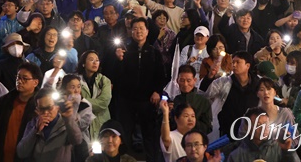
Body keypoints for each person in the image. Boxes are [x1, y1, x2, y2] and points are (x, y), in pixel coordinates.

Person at [110, 17, 166, 160]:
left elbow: (161, 75)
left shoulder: (154, 52)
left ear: (147, 31)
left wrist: (157, 92)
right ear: (131, 32)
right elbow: (115, 76)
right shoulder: (124, 51)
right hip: (126, 100)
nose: (138, 31)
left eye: (141, 28)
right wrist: (118, 61)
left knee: (149, 135)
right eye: (135, 28)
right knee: (125, 134)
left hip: (147, 101)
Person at [0, 63, 43, 162]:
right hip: (2, 155)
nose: (20, 81)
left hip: (26, 157)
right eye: (18, 77)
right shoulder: (6, 100)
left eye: (25, 78)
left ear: (35, 82)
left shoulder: (40, 104)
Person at [199, 51, 260, 141]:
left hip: (251, 131)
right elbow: (205, 94)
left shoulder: (258, 83)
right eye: (233, 62)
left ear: (247, 66)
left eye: (238, 62)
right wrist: (210, 76)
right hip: (227, 132)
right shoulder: (223, 82)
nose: (234, 65)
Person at [16, 87, 84, 161]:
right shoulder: (33, 124)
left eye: (49, 108)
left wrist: (68, 119)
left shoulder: (66, 123)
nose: (45, 112)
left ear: (57, 107)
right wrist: (35, 130)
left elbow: (77, 141)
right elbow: (21, 153)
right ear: (37, 110)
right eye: (42, 109)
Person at [225, 107, 299, 162]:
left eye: (266, 124)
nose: (263, 128)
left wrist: (289, 151)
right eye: (258, 125)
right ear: (247, 128)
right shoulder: (237, 155)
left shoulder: (279, 148)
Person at [78, 50, 112, 141]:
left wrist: (83, 100)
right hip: (82, 123)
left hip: (101, 122)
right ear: (83, 63)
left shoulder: (105, 80)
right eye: (91, 60)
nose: (95, 62)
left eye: (97, 60)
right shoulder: (76, 81)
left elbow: (103, 103)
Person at [173, 64, 212, 134]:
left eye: (188, 80)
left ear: (194, 80)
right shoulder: (173, 100)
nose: (185, 84)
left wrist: (191, 121)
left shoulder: (203, 101)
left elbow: (208, 128)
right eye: (182, 80)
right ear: (177, 81)